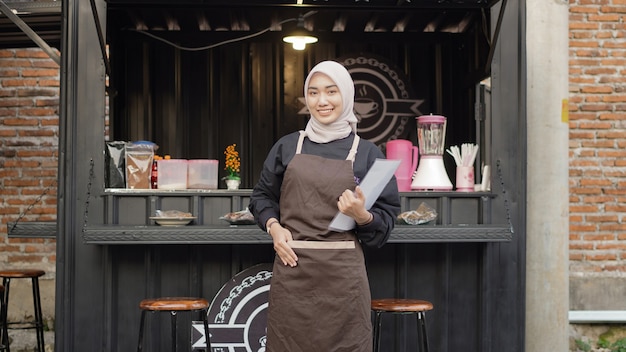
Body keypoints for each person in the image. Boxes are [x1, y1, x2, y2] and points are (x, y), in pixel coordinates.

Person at [248, 60, 400, 352]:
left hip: (343, 282)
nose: (322, 101)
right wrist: (274, 227)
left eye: (331, 92)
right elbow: (262, 197)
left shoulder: (368, 154)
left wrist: (362, 216)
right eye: (314, 93)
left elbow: (385, 226)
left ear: (346, 95)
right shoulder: (288, 146)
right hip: (294, 272)